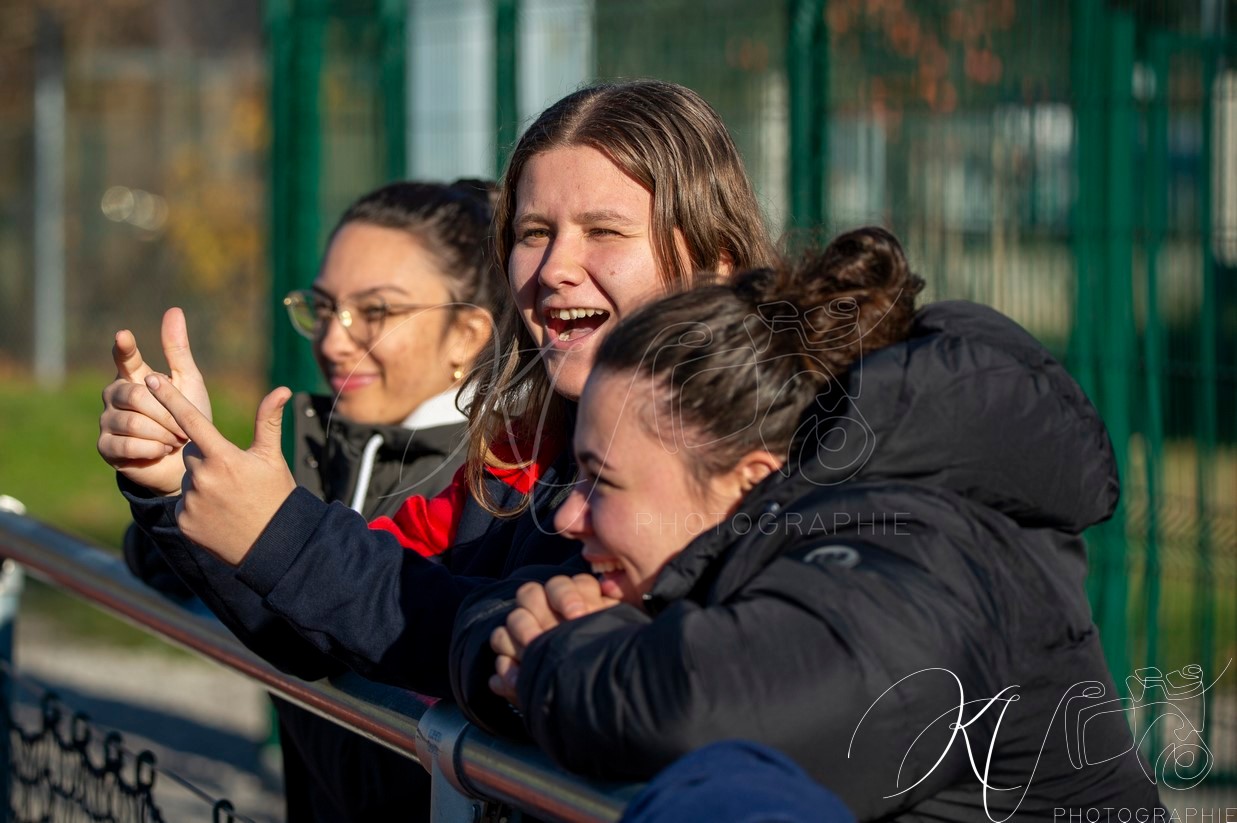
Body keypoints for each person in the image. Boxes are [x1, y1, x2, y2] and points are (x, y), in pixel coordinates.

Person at [95, 80, 779, 700]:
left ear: (714, 260)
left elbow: (459, 630)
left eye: (603, 231)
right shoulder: (514, 457)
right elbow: (347, 612)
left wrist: (284, 535)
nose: (555, 268)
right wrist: (172, 483)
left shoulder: (763, 464)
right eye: (533, 232)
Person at [449, 228, 1164, 820]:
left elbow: (714, 713)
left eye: (601, 481)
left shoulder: (919, 556)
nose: (569, 514)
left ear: (750, 480)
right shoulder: (797, 535)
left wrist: (556, 651)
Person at [103, 180, 500, 822]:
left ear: (467, 334)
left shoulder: (490, 488)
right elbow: (177, 574)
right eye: (324, 307)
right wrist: (173, 484)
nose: (336, 340)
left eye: (377, 312)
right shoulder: (332, 448)